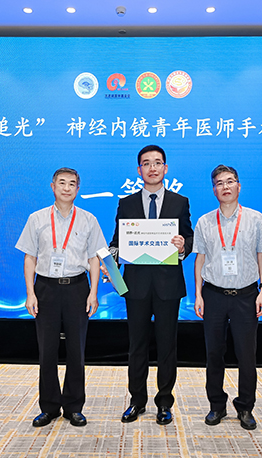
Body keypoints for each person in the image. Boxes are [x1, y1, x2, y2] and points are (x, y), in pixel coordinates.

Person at [106, 145, 194, 425]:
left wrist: (183, 247)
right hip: (137, 286)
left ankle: (164, 403)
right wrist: (111, 265)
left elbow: (189, 237)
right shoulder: (127, 203)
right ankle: (137, 401)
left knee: (167, 346)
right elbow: (117, 242)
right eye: (146, 163)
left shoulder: (180, 202)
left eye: (157, 163)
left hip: (168, 286)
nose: (152, 168)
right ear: (139, 170)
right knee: (137, 346)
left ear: (165, 168)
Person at [15, 167, 107, 428]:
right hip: (46, 288)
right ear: (53, 187)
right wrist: (30, 293)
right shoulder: (36, 218)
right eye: (62, 183)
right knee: (47, 350)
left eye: (72, 184)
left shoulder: (88, 219)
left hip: (77, 287)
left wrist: (93, 292)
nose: (67, 188)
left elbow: (94, 259)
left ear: (78, 189)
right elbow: (30, 258)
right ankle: (49, 407)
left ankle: (74, 407)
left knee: (77, 350)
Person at [193, 164, 262, 430]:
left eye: (230, 181)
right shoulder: (205, 221)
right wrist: (198, 294)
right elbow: (200, 259)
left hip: (246, 296)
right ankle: (216, 405)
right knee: (213, 353)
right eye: (219, 183)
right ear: (213, 190)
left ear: (239, 186)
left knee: (246, 355)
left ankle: (245, 407)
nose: (225, 187)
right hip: (213, 295)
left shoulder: (256, 218)